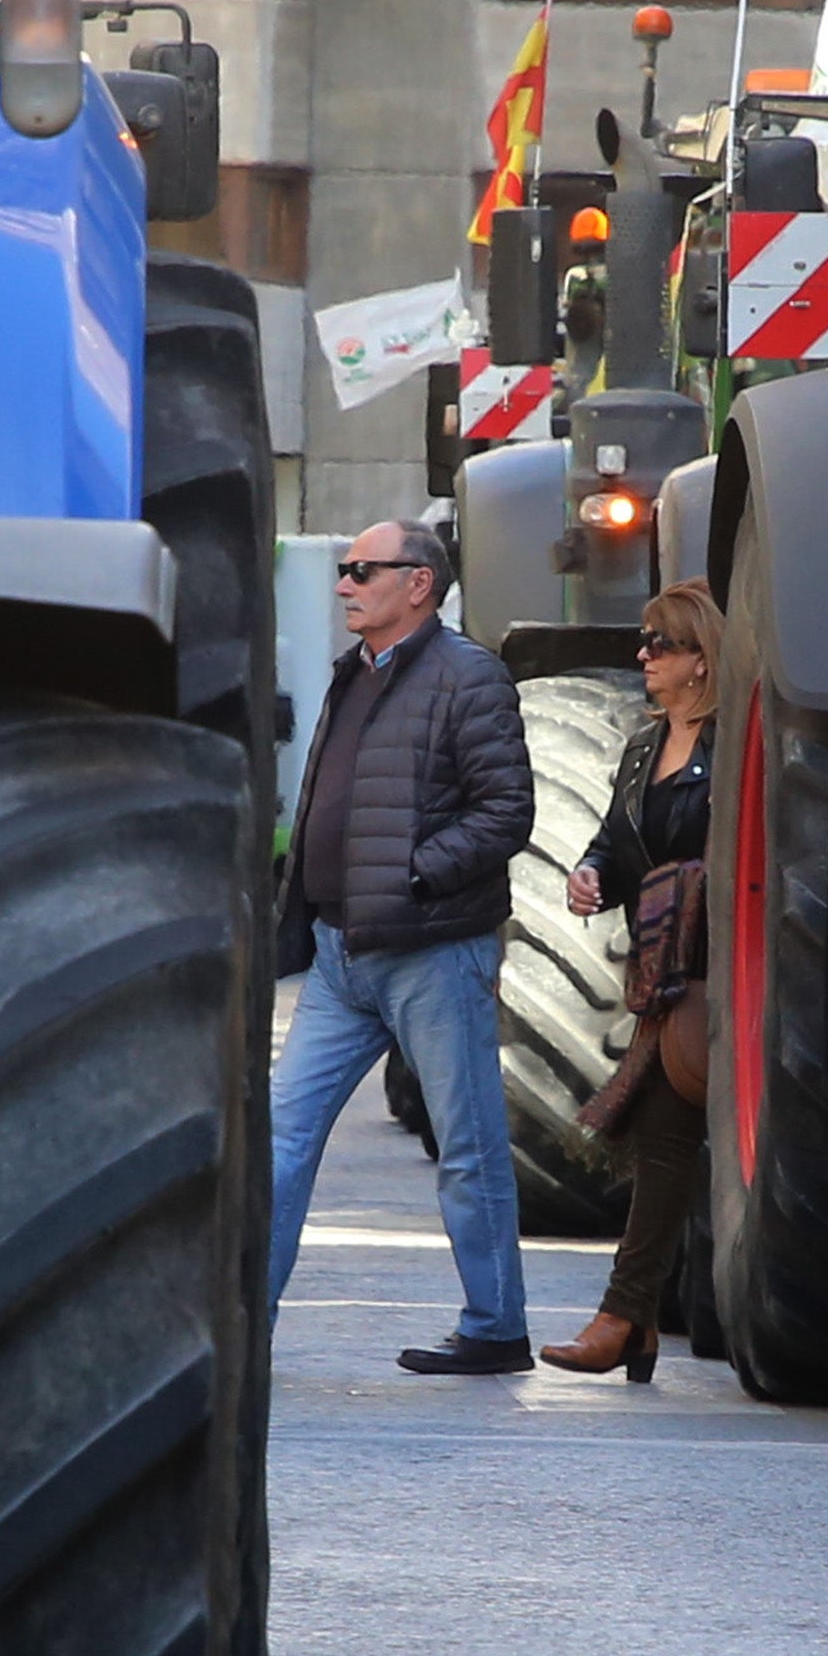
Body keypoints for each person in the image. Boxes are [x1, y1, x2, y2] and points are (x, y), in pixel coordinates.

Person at [264, 510, 539, 1372]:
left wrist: (416, 875)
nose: (343, 583)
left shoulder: (470, 678)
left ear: (418, 583)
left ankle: (496, 1328)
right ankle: (245, 1321)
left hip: (432, 951)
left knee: (467, 1148)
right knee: (278, 1137)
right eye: (342, 569)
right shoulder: (356, 673)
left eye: (361, 568)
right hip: (343, 958)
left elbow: (506, 811)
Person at [555, 588, 720, 1384]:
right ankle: (636, 1320)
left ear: (700, 657)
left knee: (662, 1137)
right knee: (663, 1138)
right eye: (643, 642)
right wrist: (590, 873)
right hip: (661, 971)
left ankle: (625, 1316)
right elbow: (615, 844)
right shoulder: (640, 746)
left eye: (659, 643)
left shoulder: (733, 745)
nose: (643, 656)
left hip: (719, 969)